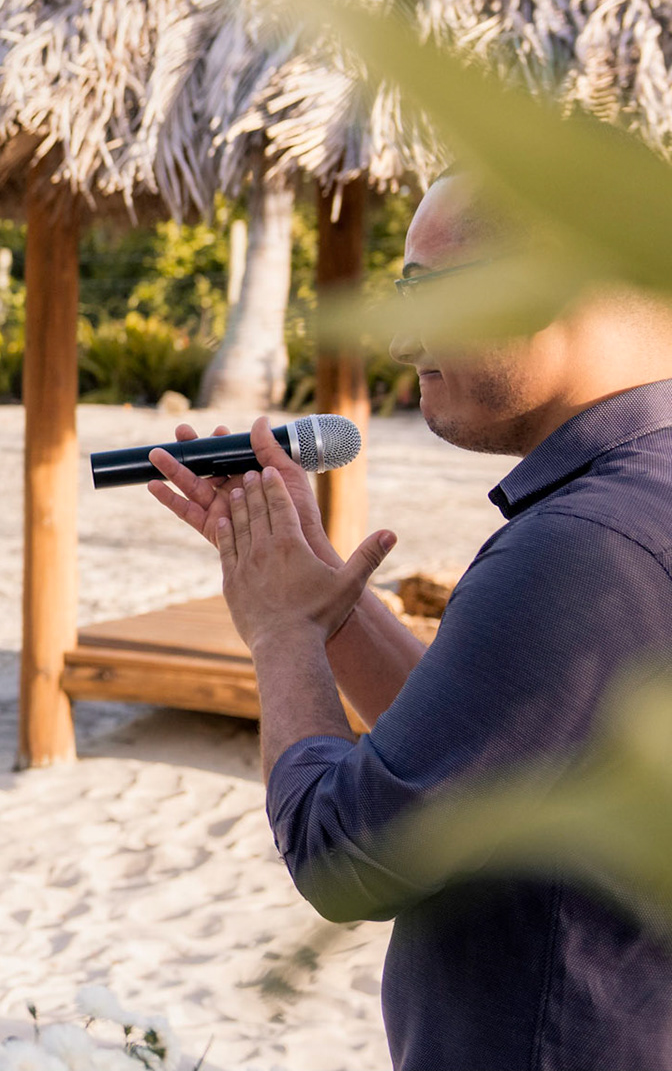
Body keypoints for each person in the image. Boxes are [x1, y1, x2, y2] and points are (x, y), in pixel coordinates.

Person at [146, 174, 672, 1070]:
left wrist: (280, 635)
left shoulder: (581, 548)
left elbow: (345, 857)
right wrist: (328, 603)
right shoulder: (643, 488)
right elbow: (474, 757)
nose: (400, 338)